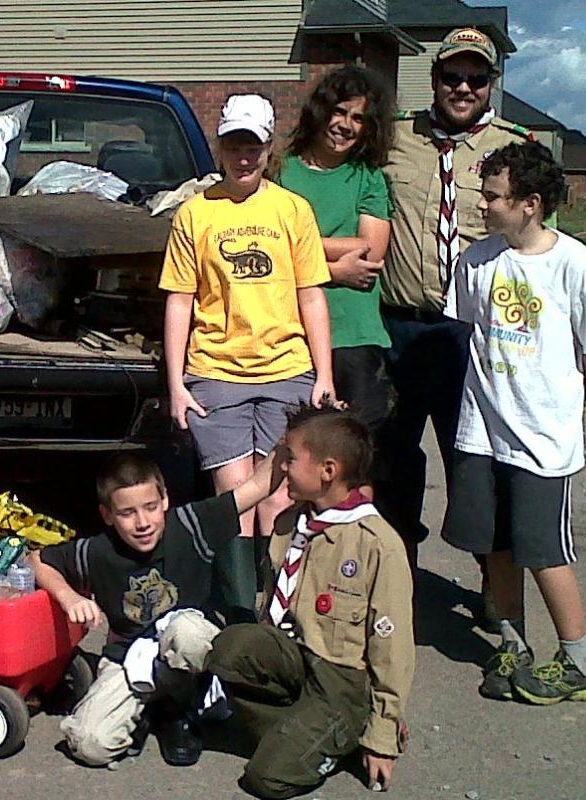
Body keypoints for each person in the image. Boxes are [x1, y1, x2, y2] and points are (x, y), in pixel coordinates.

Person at [441, 142, 586, 705]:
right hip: (482, 432)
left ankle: (578, 658)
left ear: (530, 203)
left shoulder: (574, 263)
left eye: (494, 197)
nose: (483, 206)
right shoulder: (476, 261)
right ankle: (513, 642)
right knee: (495, 544)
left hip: (543, 440)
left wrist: (571, 401)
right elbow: (473, 330)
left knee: (543, 549)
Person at [378, 27, 536, 624]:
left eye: (477, 78)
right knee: (393, 462)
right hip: (401, 328)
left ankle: (499, 594)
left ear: (491, 84)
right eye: (452, 76)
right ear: (434, 79)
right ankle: (398, 581)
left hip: (476, 336)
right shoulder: (395, 139)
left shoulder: (512, 148)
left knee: (478, 463)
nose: (463, 88)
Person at [160, 93, 334, 623]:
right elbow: (180, 300)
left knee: (280, 497)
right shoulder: (195, 214)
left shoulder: (292, 211)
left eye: (253, 145)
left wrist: (323, 374)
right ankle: (238, 613)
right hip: (215, 372)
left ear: (268, 148)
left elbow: (311, 294)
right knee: (235, 497)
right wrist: (176, 384)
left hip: (286, 371)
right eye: (234, 144)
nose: (243, 156)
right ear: (220, 145)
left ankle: (277, 608)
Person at [206, 406, 414, 797]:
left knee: (267, 778)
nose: (281, 468)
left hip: (342, 681)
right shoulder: (291, 524)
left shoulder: (376, 544)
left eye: (290, 459)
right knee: (230, 647)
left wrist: (383, 735)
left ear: (328, 471)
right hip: (296, 660)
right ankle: (308, 731)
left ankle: (344, 733)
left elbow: (392, 648)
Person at [31, 448, 281, 768]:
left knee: (187, 632)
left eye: (150, 507)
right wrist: (70, 597)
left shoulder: (192, 524)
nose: (142, 522)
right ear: (107, 515)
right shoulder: (97, 551)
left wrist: (296, 432)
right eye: (127, 513)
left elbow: (258, 486)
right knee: (90, 744)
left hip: (186, 651)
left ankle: (180, 709)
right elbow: (37, 559)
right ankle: (145, 711)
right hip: (128, 656)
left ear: (165, 500)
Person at [276, 65, 396, 435]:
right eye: (340, 111)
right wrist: (334, 269)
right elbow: (267, 250)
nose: (345, 124)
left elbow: (370, 252)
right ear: (321, 110)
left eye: (358, 118)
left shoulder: (368, 177)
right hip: (289, 332)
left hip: (354, 335)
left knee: (356, 451)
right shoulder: (282, 170)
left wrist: (296, 242)